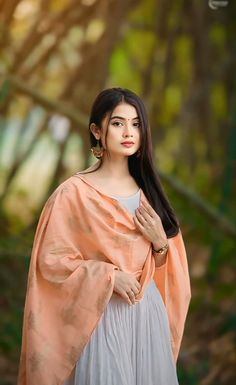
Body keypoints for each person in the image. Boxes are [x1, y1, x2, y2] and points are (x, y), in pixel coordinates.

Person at [17, 87, 191, 385]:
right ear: (97, 130)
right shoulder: (74, 194)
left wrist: (161, 245)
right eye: (118, 123)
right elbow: (52, 263)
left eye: (136, 124)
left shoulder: (148, 192)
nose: (129, 132)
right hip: (100, 318)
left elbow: (167, 271)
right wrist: (109, 276)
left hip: (146, 316)